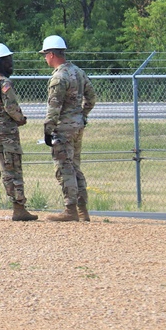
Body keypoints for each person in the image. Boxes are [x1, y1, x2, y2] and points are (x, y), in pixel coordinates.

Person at [0, 44, 37, 222]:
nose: (11, 64)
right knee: (11, 169)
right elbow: (11, 107)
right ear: (0, 62)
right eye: (8, 60)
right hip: (5, 132)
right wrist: (21, 119)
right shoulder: (4, 82)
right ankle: (19, 209)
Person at [40, 35, 97, 222]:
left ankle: (70, 209)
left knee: (64, 168)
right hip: (78, 126)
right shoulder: (78, 72)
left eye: (45, 54)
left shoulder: (59, 77)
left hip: (63, 129)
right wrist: (83, 115)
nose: (45, 58)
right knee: (75, 167)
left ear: (51, 54)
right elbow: (91, 97)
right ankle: (82, 210)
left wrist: (48, 130)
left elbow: (54, 107)